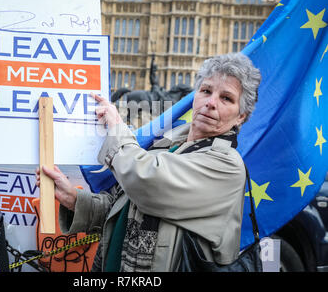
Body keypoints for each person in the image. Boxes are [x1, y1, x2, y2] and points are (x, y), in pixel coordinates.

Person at [35, 53, 262, 272]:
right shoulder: (168, 144)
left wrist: (117, 127)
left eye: (226, 98)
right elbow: (125, 207)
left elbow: (147, 182)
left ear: (241, 115)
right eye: (206, 91)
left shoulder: (226, 165)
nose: (211, 102)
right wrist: (74, 200)